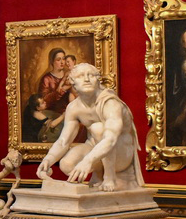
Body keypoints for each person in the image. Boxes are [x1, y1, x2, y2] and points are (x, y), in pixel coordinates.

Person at [36, 62, 143, 192]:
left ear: (97, 80)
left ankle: (109, 177)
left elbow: (110, 139)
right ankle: (99, 174)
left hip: (121, 156)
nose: (86, 79)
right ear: (73, 82)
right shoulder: (74, 107)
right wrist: (49, 159)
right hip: (96, 151)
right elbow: (64, 141)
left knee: (98, 128)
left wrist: (88, 160)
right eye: (81, 76)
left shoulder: (110, 103)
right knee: (66, 164)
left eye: (91, 75)